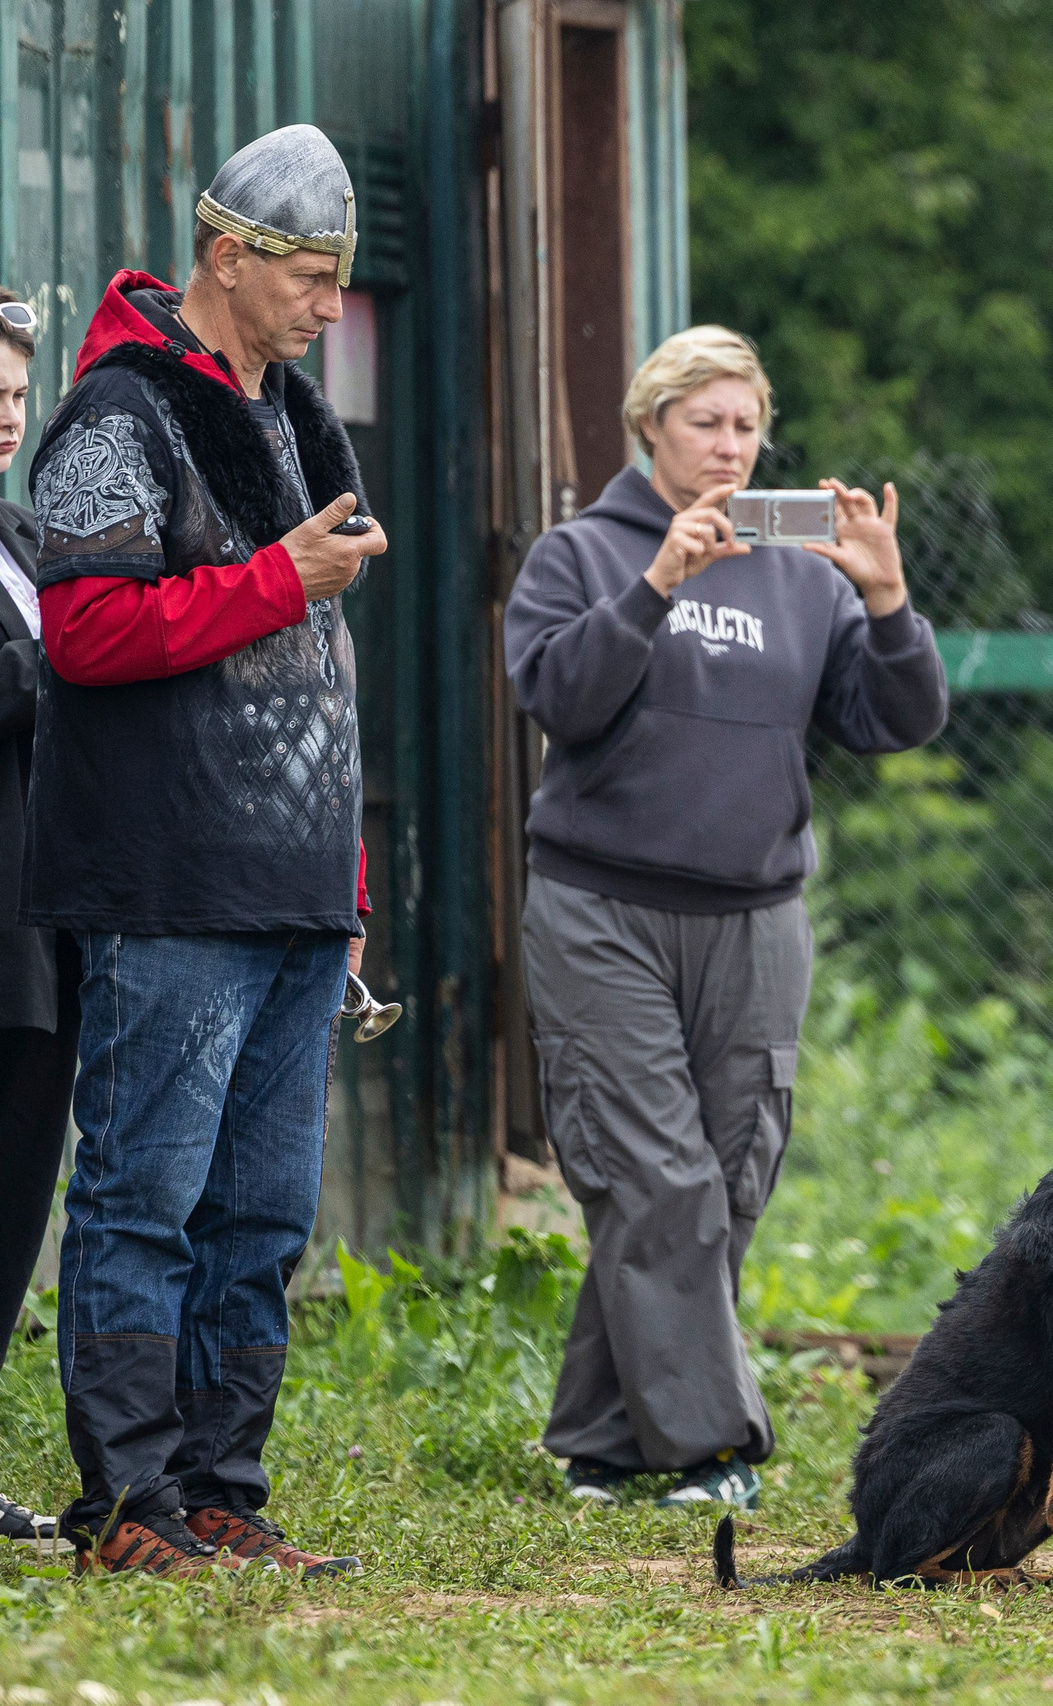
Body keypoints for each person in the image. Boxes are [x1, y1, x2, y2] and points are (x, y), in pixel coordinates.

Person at [504, 326, 948, 1510]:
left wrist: (888, 596)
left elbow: (890, 719)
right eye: (706, 422)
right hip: (603, 910)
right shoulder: (580, 555)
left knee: (726, 1181)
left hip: (754, 916)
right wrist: (657, 587)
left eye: (747, 426)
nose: (730, 446)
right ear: (650, 425)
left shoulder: (802, 576)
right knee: (657, 1177)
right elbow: (559, 697)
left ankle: (604, 1445)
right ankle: (706, 1448)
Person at [26, 124, 386, 1578]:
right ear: (226, 256)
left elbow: (326, 674)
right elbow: (84, 631)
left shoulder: (298, 412)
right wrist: (268, 578)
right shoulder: (115, 413)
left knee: (260, 1214)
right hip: (165, 883)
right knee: (147, 1198)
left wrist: (348, 890)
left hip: (292, 887)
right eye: (305, 275)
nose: (326, 305)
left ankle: (220, 1485)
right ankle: (125, 1503)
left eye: (336, 281)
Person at [0, 287, 71, 1554]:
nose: (5, 416)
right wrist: (82, 646)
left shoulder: (19, 533)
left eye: (15, 395)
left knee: (14, 1196)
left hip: (34, 922)